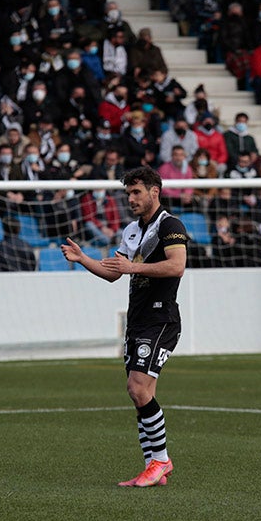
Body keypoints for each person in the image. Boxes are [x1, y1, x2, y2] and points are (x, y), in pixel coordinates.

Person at [61, 167, 187, 488]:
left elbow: (177, 266)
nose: (130, 199)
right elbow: (113, 272)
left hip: (161, 318)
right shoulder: (132, 230)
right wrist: (83, 259)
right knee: (139, 394)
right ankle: (153, 467)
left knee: (137, 388)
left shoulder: (169, 225)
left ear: (154, 192)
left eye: (136, 192)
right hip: (139, 319)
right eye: (128, 193)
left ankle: (160, 460)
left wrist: (135, 266)